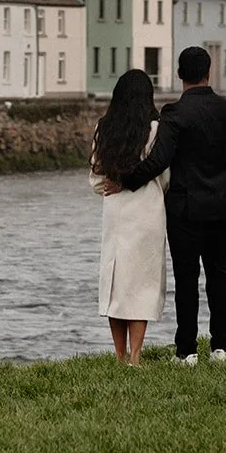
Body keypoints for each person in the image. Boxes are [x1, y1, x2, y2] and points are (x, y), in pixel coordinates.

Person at [116, 46, 226, 367]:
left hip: (184, 207)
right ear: (209, 72)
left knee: (187, 279)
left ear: (179, 74)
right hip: (220, 202)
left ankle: (187, 351)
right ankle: (221, 347)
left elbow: (159, 161)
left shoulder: (175, 114)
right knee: (219, 273)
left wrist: (127, 180)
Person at [89, 69, 170, 365]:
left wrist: (110, 186)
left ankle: (120, 355)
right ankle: (136, 355)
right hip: (148, 209)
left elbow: (95, 179)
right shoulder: (155, 130)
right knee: (142, 284)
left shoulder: (105, 127)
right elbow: (164, 174)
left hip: (115, 210)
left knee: (116, 283)